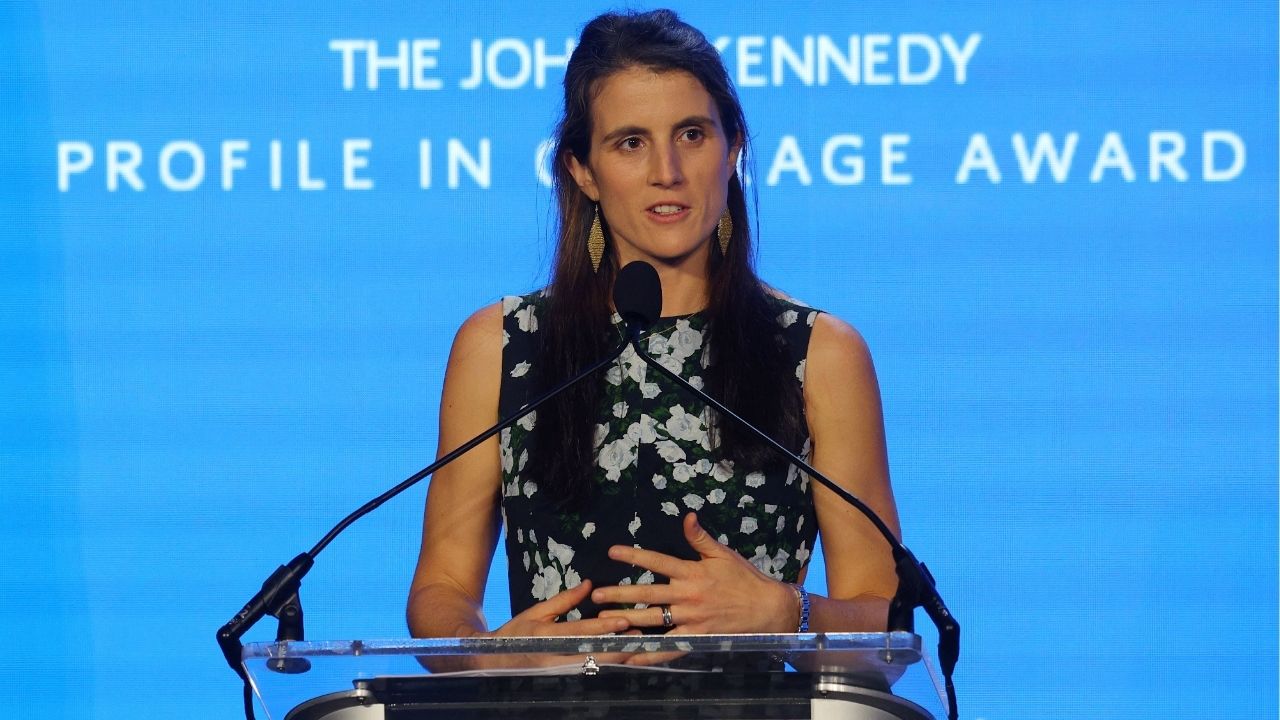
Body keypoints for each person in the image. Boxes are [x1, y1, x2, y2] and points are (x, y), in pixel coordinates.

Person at [407, 9, 900, 648]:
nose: (667, 170)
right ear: (582, 170)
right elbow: (440, 589)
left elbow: (886, 617)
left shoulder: (818, 352)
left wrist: (787, 613)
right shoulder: (503, 343)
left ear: (733, 150)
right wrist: (487, 662)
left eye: (692, 134)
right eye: (630, 142)